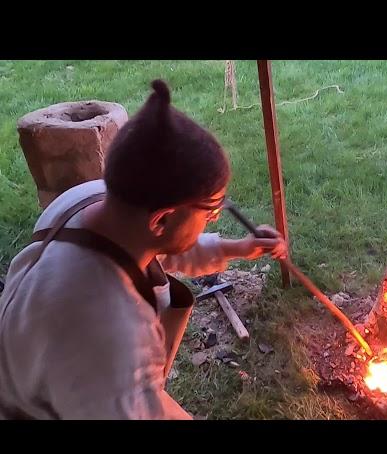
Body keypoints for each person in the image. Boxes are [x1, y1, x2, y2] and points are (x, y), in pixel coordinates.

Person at [0, 79, 287, 419]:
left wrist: (239, 248)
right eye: (209, 211)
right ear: (161, 219)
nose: (212, 220)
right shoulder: (111, 337)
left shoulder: (86, 201)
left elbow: (164, 247)